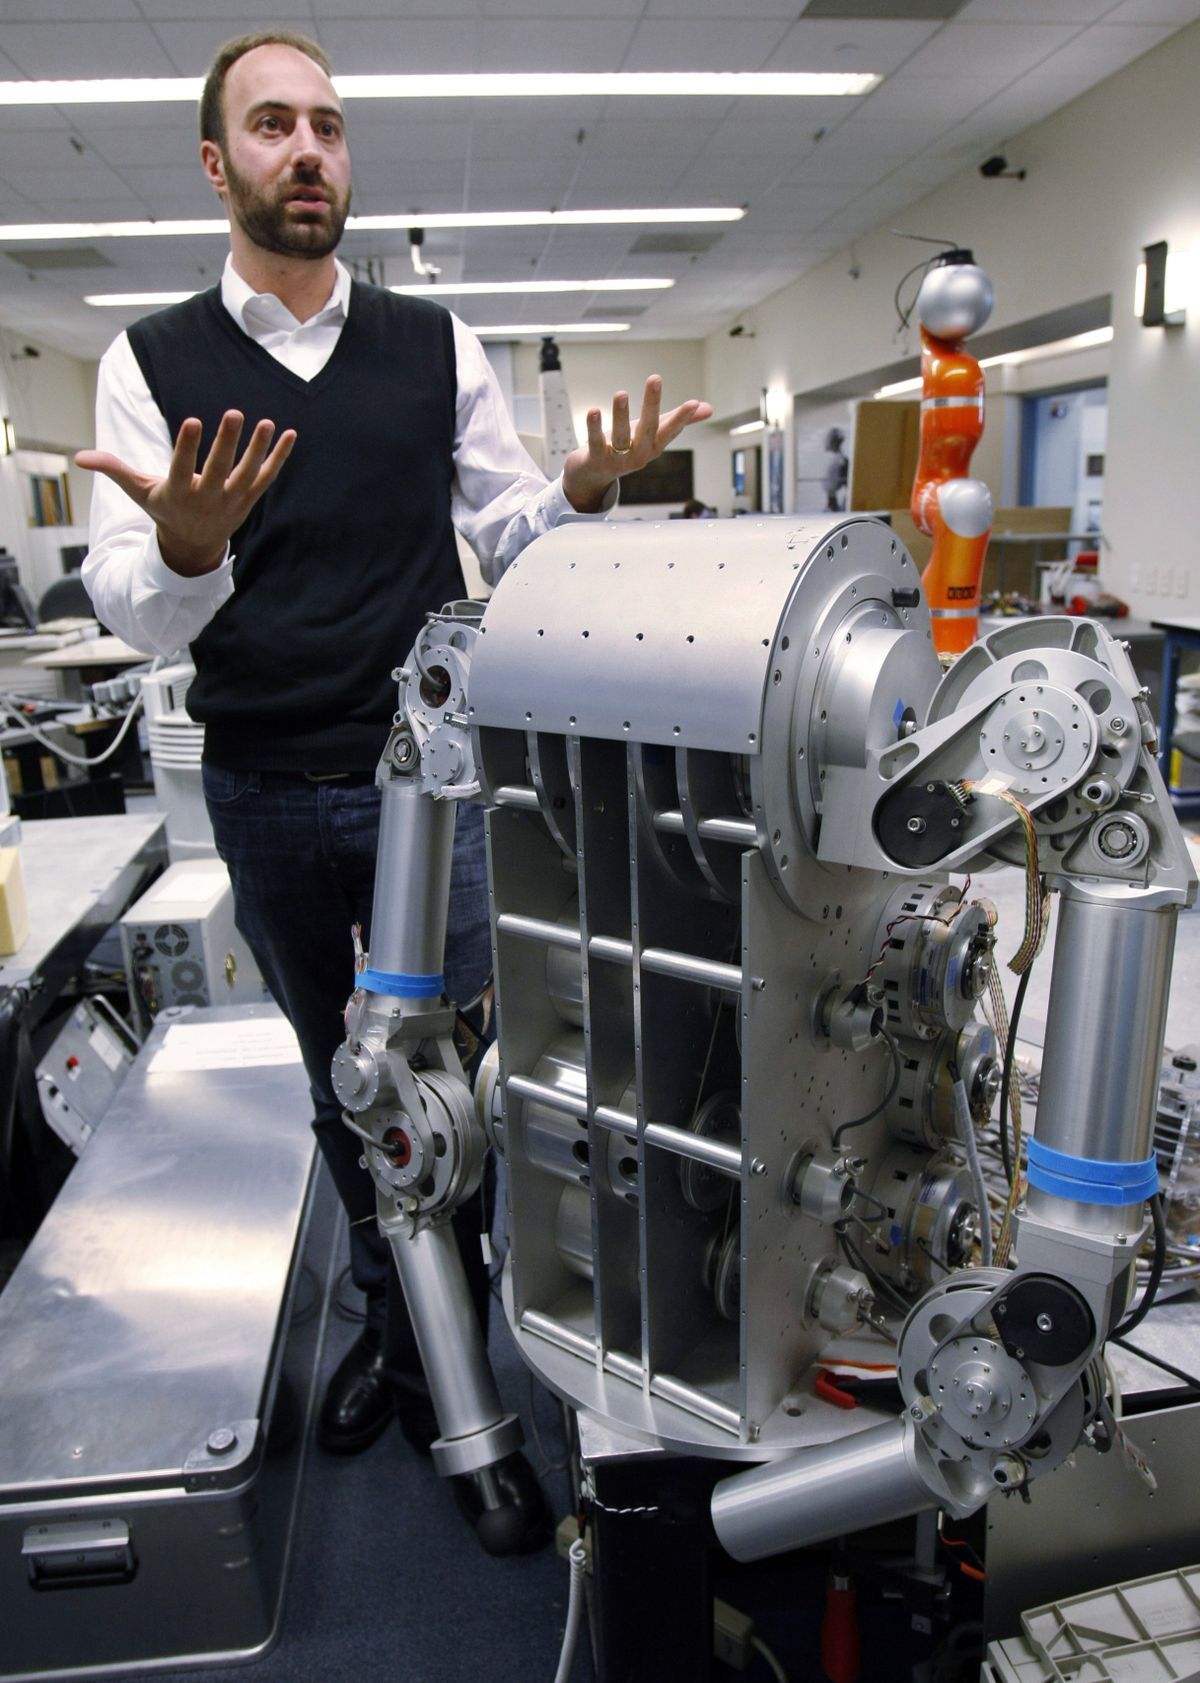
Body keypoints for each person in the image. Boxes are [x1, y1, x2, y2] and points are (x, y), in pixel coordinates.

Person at [77, 31, 711, 1553]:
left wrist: (575, 495)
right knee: (348, 1084)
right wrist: (183, 548)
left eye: (332, 128)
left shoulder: (434, 341)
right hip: (269, 785)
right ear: (219, 165)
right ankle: (397, 1328)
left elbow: (506, 529)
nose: (311, 151)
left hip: (435, 782)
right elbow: (131, 603)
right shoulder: (152, 360)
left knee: (499, 1081)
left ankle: (509, 1349)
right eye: (275, 127)